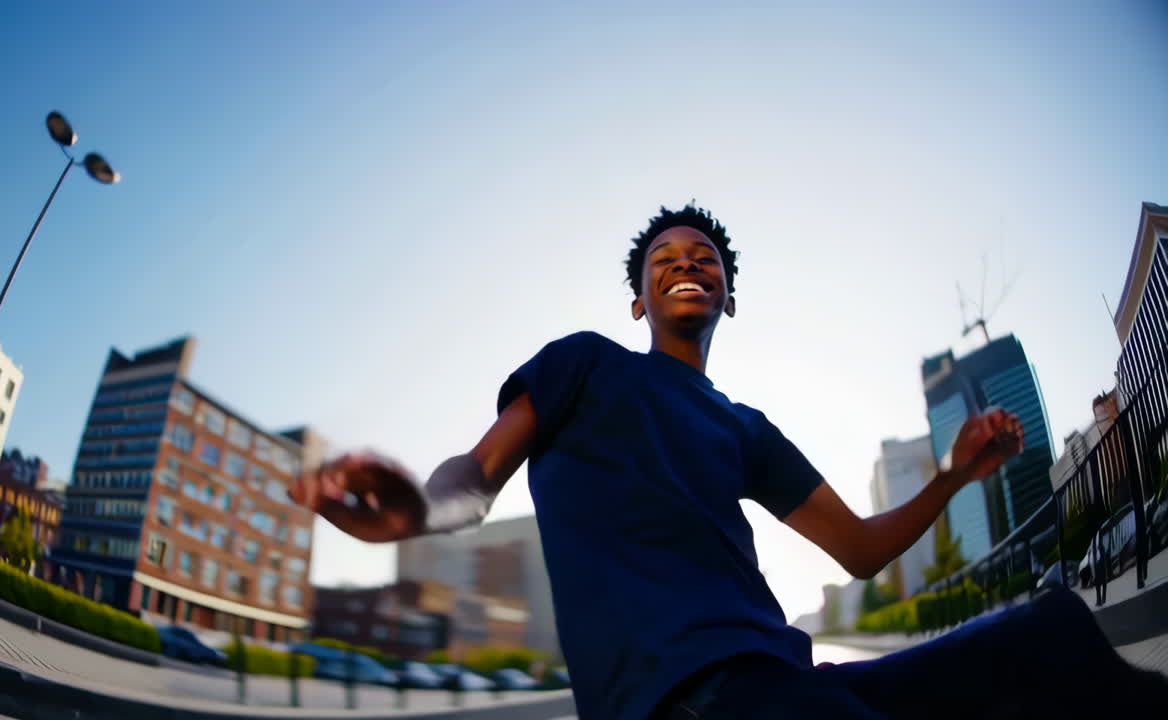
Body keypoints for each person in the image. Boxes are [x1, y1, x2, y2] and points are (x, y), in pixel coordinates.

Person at [289, 205, 1166, 719]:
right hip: (683, 701)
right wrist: (412, 514)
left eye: (702, 259)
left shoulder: (743, 427)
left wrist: (950, 476)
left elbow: (859, 548)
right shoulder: (584, 365)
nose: (685, 266)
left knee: (1053, 634)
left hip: (783, 683)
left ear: (727, 296)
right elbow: (472, 480)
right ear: (637, 299)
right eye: (663, 261)